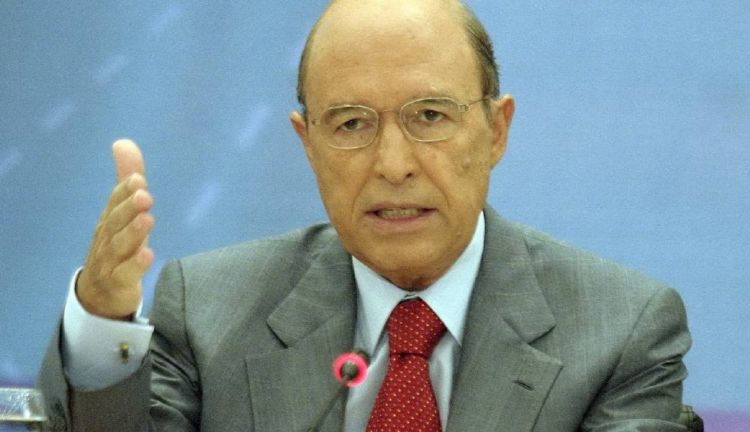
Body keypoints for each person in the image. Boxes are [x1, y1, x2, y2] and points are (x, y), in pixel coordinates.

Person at [37, 0, 692, 431]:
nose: (393, 164)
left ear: (496, 130)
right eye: (351, 123)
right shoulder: (209, 311)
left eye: (430, 116)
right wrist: (103, 324)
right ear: (308, 144)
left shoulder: (619, 331)